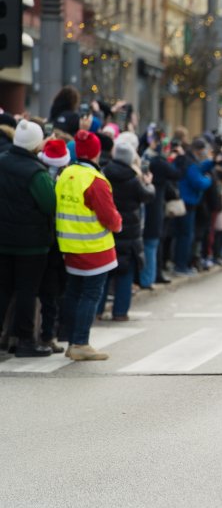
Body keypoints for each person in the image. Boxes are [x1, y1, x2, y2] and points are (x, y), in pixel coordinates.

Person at [56, 130, 122, 361]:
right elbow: (109, 216)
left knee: (74, 293)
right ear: (96, 152)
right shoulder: (95, 180)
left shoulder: (65, 174)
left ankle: (72, 340)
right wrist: (118, 223)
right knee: (90, 295)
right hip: (95, 248)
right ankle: (80, 343)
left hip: (69, 246)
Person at [0, 120, 56, 357]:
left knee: (1, 290)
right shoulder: (37, 173)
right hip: (31, 245)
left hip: (2, 240)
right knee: (26, 291)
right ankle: (25, 341)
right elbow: (49, 204)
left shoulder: (1, 161)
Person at [98, 141, 154, 320]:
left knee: (104, 274)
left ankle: (97, 311)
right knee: (125, 274)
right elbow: (147, 196)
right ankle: (120, 312)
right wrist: (149, 183)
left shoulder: (104, 173)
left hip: (107, 229)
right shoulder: (133, 180)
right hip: (129, 233)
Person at [36, 138, 72, 352]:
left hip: (36, 238)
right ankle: (48, 334)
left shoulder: (36, 170)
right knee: (52, 292)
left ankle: (20, 335)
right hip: (56, 241)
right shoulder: (67, 176)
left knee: (29, 291)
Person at [139, 129, 182, 289]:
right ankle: (148, 278)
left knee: (151, 243)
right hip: (154, 208)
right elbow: (178, 174)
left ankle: (149, 277)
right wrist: (181, 157)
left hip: (148, 208)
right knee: (152, 243)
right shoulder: (157, 162)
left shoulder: (145, 159)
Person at [173, 137, 213, 274]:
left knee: (180, 235)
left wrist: (211, 162)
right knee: (185, 235)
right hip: (188, 203)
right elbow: (198, 181)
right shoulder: (190, 163)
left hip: (181, 201)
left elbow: (199, 168)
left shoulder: (185, 160)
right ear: (199, 150)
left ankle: (179, 264)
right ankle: (181, 266)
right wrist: (208, 180)